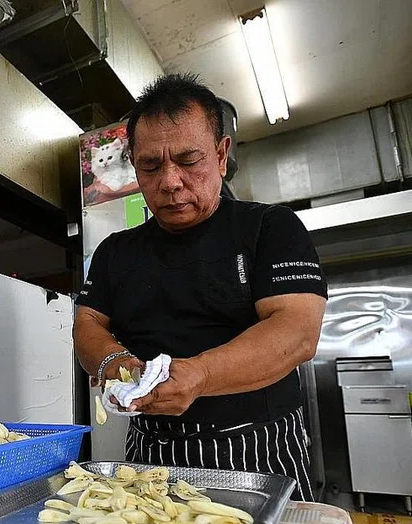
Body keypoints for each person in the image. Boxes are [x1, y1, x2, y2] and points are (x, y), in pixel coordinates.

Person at [73, 73, 327, 500]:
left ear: (222, 155)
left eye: (189, 160)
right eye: (151, 166)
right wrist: (117, 363)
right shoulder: (116, 251)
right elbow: (87, 324)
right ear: (135, 165)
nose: (170, 182)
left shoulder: (269, 227)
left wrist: (200, 374)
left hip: (258, 447)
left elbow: (298, 332)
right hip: (149, 452)